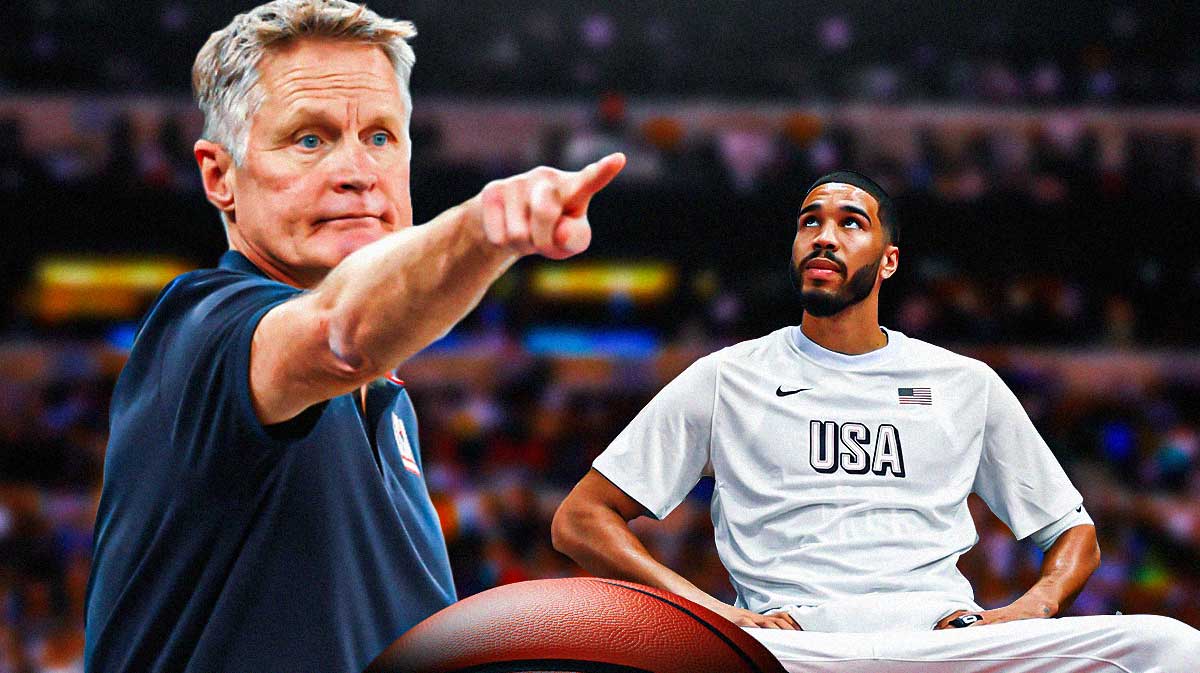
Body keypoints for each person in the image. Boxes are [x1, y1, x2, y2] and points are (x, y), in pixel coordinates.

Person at [83, 1, 624, 671]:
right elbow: (338, 331)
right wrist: (485, 228)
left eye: (380, 136)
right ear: (219, 175)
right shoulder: (199, 333)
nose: (357, 170)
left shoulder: (387, 402)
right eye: (309, 138)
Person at [552, 171, 1200, 672]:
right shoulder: (726, 377)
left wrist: (1030, 609)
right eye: (810, 222)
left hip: (946, 641)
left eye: (850, 222)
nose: (824, 235)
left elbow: (1075, 533)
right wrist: (714, 615)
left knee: (1172, 647)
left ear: (889, 260)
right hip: (795, 646)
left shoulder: (964, 382)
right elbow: (580, 517)